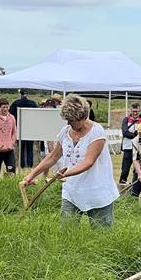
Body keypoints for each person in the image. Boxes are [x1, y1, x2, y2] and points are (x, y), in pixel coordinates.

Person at [21, 94, 119, 227]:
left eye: (71, 120)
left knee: (101, 233)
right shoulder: (65, 132)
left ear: (83, 117)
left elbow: (88, 162)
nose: (68, 123)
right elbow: (53, 157)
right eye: (67, 120)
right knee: (66, 230)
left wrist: (64, 174)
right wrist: (31, 175)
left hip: (97, 190)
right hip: (72, 190)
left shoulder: (97, 132)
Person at [10, 89, 38, 169]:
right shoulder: (33, 104)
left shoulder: (15, 103)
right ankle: (29, 165)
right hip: (30, 128)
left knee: (21, 149)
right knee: (30, 148)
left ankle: (22, 165)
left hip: (19, 128)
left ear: (20, 94)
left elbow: (11, 116)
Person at [0, 97, 17, 177]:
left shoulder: (12, 118)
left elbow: (14, 132)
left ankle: (10, 184)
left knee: (11, 169)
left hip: (9, 149)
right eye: (3, 107)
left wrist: (12, 142)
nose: (5, 109)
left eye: (7, 107)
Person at [119, 103, 141, 184]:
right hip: (128, 147)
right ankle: (122, 182)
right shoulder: (126, 119)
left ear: (139, 110)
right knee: (125, 167)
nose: (135, 113)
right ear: (131, 110)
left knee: (138, 167)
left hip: (138, 147)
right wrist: (135, 135)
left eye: (137, 111)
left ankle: (136, 183)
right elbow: (125, 132)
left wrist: (135, 135)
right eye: (133, 111)